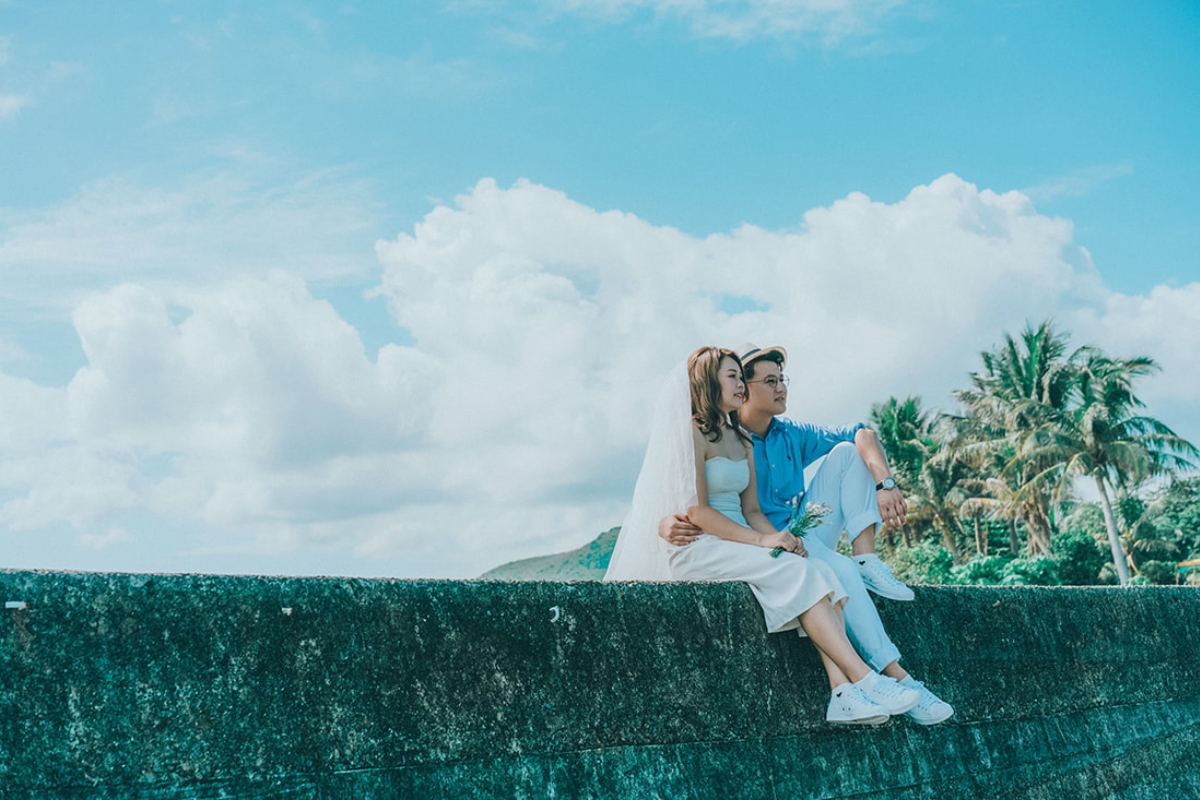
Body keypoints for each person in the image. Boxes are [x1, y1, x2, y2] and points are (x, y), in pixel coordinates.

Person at [606, 346, 922, 726]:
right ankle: (866, 679)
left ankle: (843, 694)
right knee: (802, 574)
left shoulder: (741, 439)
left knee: (819, 570)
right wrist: (763, 542)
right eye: (732, 377)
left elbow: (752, 510)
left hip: (739, 539)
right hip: (702, 546)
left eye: (742, 377)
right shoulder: (691, 433)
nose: (740, 385)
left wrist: (782, 540)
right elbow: (697, 512)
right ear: (708, 382)